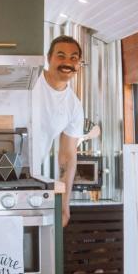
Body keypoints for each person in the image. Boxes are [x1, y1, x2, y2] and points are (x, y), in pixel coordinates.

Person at [32, 35, 85, 227]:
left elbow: (68, 157)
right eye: (61, 56)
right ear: (49, 58)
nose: (67, 63)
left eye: (73, 58)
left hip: (29, 176)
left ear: (79, 64)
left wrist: (64, 203)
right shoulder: (30, 80)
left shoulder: (74, 106)